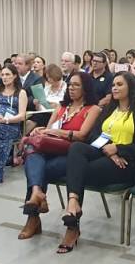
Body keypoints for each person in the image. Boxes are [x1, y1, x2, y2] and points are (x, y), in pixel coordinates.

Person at [59, 72, 135, 253]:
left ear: (131, 87)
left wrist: (119, 149)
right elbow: (93, 135)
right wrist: (111, 151)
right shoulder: (108, 110)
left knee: (77, 172)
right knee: (76, 149)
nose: (114, 88)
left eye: (119, 84)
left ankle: (72, 226)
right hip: (106, 154)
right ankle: (73, 203)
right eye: (113, 84)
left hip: (128, 164)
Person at [19, 72, 101, 240]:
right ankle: (36, 196)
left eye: (76, 85)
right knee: (34, 156)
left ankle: (35, 213)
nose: (71, 88)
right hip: (50, 151)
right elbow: (47, 134)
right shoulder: (61, 107)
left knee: (38, 169)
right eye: (70, 84)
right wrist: (40, 130)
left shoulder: (93, 109)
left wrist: (56, 131)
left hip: (72, 155)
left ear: (86, 88)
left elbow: (82, 135)